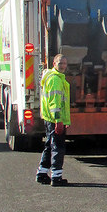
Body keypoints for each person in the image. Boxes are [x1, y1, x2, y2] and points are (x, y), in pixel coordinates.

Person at [36, 54, 71, 187]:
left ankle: (42, 173)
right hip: (55, 119)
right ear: (54, 63)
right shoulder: (55, 80)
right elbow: (54, 103)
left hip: (50, 118)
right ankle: (56, 177)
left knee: (49, 146)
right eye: (60, 63)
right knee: (58, 147)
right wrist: (58, 120)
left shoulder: (52, 77)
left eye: (64, 63)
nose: (63, 66)